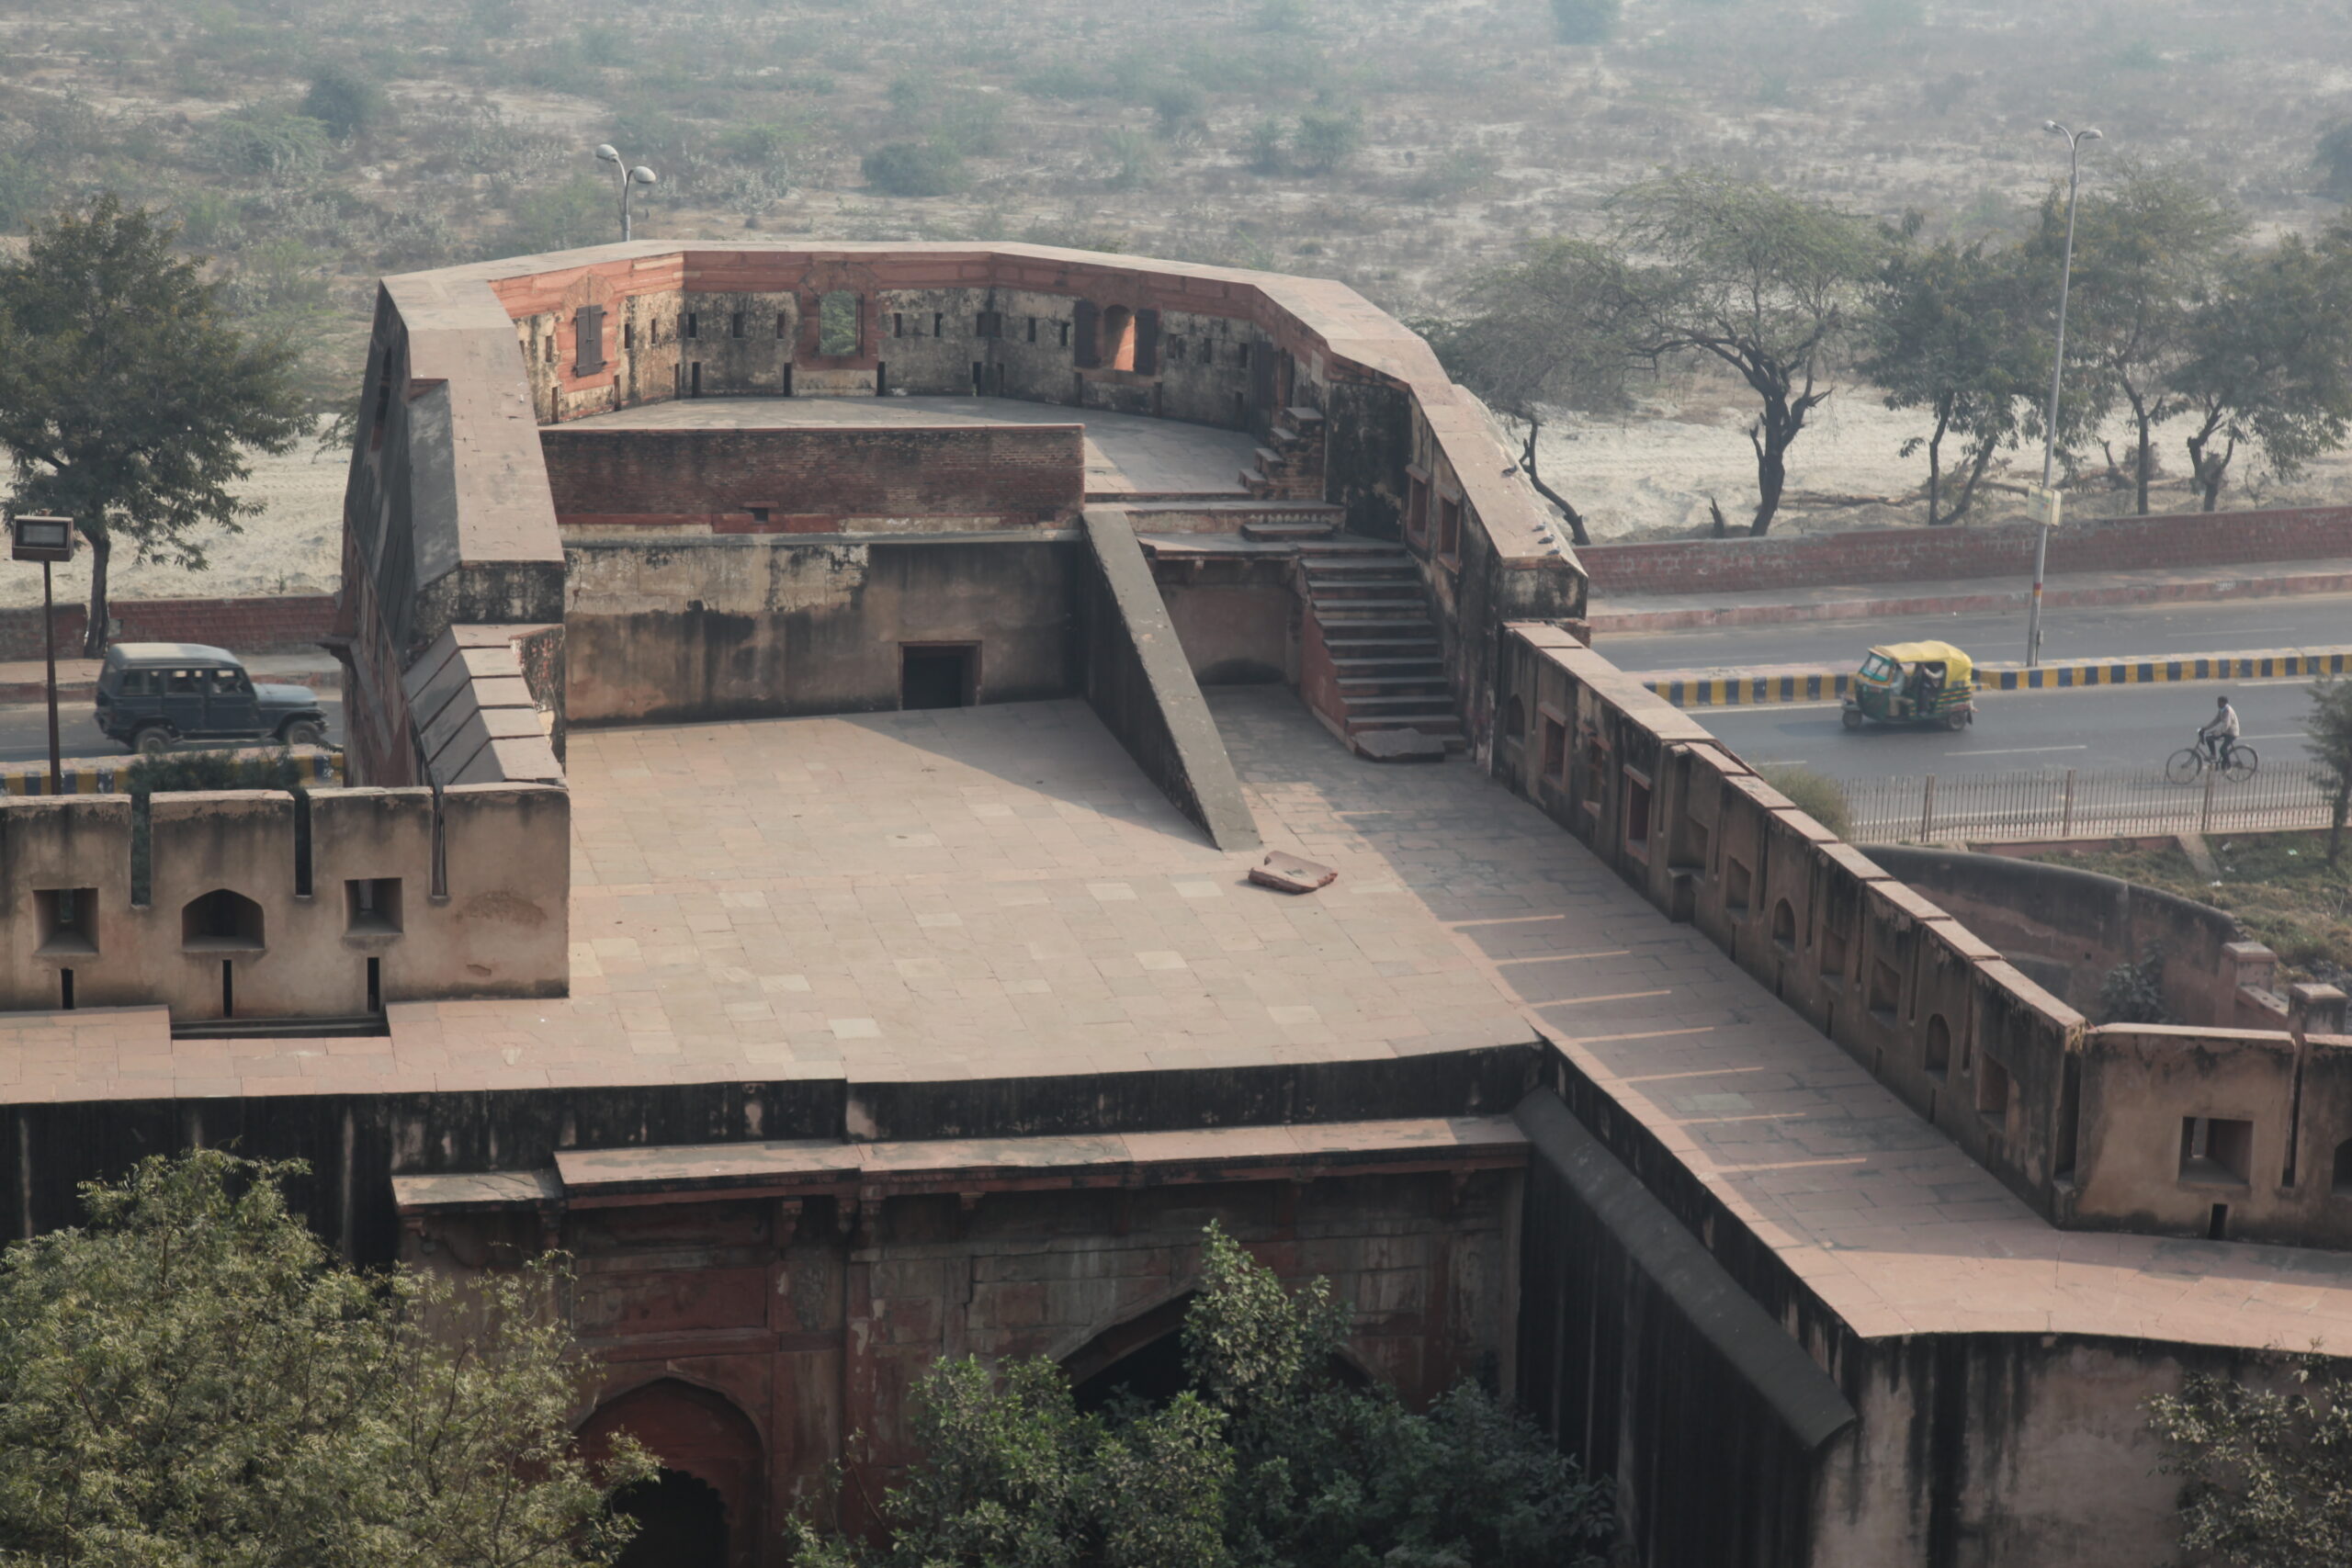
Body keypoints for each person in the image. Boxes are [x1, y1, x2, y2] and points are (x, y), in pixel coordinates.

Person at [2199, 694, 2240, 766]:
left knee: (2222, 750)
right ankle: (2213, 755)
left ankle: (2228, 765)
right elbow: (2216, 720)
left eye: (2219, 702)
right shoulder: (2222, 709)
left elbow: (2227, 725)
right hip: (2226, 731)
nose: (2217, 704)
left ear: (2224, 703)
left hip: (2231, 733)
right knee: (2209, 737)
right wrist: (2206, 728)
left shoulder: (2228, 711)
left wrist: (2218, 732)